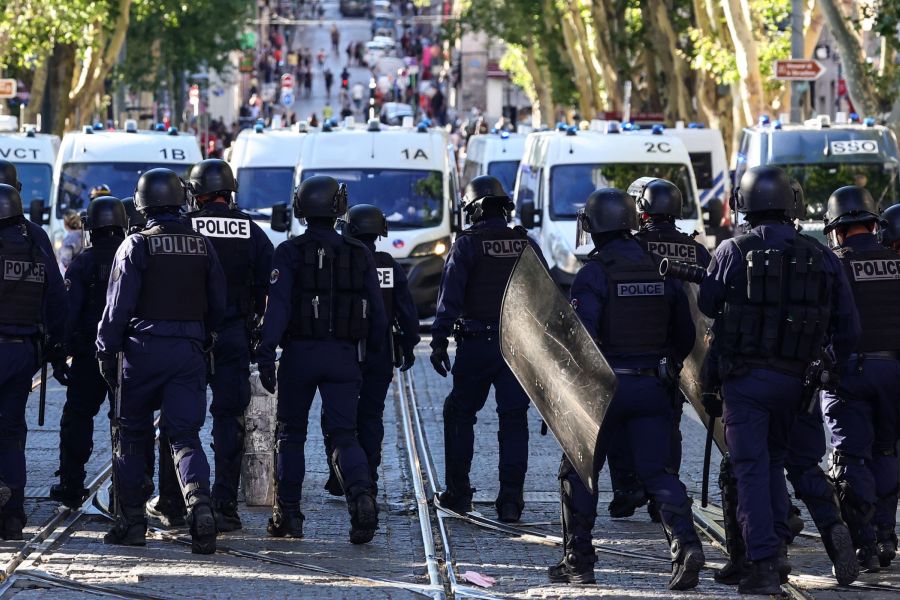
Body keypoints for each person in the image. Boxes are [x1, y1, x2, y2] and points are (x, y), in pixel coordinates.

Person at [697, 166, 859, 594]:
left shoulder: (732, 250)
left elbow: (708, 303)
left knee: (751, 469)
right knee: (784, 462)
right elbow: (849, 327)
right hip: (800, 383)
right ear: (792, 203)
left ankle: (766, 564)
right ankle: (823, 532)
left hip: (746, 382)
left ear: (743, 203)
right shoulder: (819, 253)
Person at [549, 188, 705, 589]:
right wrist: (662, 365)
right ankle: (686, 545)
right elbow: (685, 333)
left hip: (603, 392)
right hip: (652, 386)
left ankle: (578, 562)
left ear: (595, 226)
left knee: (580, 472)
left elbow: (582, 338)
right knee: (659, 472)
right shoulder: (660, 268)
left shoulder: (594, 273)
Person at [97, 168, 226, 554]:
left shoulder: (135, 245)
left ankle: (132, 522)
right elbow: (219, 305)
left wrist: (105, 350)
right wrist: (204, 339)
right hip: (188, 351)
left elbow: (116, 308)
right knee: (186, 437)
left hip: (141, 352)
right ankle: (200, 505)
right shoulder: (203, 245)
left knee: (132, 437)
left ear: (142, 204)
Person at [256, 176, 387, 544]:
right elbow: (377, 312)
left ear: (301, 208)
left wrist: (267, 353)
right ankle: (362, 496)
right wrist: (373, 357)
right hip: (345, 356)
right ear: (338, 207)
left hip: (299, 355)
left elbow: (277, 309)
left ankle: (289, 515)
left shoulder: (289, 252)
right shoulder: (359, 252)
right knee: (345, 434)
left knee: (290, 434)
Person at [148, 160, 274, 532]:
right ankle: (224, 505)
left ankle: (172, 501)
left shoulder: (185, 226)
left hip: (189, 334)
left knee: (176, 420)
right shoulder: (250, 229)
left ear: (196, 192)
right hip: (233, 333)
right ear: (229, 190)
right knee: (229, 418)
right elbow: (271, 283)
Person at [430, 176, 546, 522]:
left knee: (460, 413)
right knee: (513, 420)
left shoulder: (467, 244)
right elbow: (546, 298)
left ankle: (459, 493)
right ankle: (511, 501)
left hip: (477, 346)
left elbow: (449, 298)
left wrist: (438, 342)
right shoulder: (526, 243)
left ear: (474, 209)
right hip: (519, 347)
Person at [605, 178, 712, 522]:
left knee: (619, 423)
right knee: (669, 424)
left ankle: (627, 488)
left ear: (643, 210)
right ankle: (662, 494)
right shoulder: (697, 250)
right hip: (686, 353)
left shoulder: (636, 247)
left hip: (638, 348)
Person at [821, 186, 900, 571]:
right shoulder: (897, 261)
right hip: (894, 372)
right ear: (873, 223)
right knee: (886, 451)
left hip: (848, 372)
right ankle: (887, 537)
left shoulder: (831, 264)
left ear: (837, 229)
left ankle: (864, 544)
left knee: (851, 457)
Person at [322, 204, 419, 496]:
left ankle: (341, 476)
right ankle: (370, 476)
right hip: (380, 351)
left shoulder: (339, 260)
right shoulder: (389, 264)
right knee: (371, 416)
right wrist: (409, 344)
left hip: (343, 349)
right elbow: (407, 311)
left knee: (338, 416)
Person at [0, 167, 68, 540]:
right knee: (10, 431)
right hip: (22, 352)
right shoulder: (35, 238)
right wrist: (57, 348)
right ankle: (13, 514)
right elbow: (57, 298)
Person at [50, 197, 128, 509]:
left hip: (89, 355)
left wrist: (59, 353)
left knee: (78, 417)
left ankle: (71, 484)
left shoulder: (84, 262)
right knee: (128, 421)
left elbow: (69, 312)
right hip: (130, 356)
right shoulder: (136, 255)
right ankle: (130, 488)